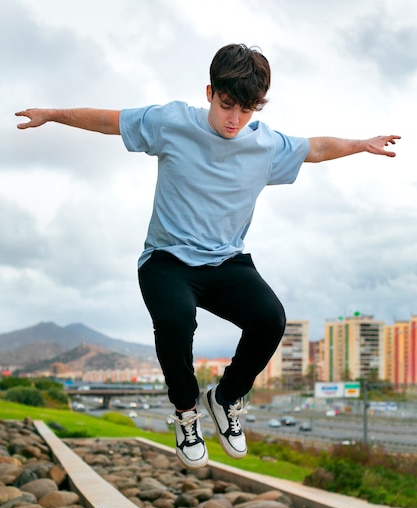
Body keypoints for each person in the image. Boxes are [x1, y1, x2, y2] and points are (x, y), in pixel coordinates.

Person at [16, 43, 400, 470]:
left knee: (270, 319)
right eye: (227, 104)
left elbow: (316, 148)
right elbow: (109, 120)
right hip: (166, 260)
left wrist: (362, 144)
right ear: (209, 92)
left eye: (246, 110)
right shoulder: (170, 122)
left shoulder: (265, 144)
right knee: (177, 320)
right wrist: (52, 114)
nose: (234, 120)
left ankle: (224, 397)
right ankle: (185, 412)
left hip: (225, 262)